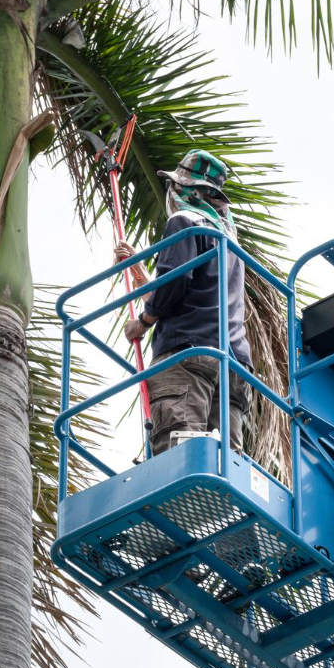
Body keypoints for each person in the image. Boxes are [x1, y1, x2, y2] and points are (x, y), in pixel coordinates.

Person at [117, 150, 252, 456]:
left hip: (187, 355)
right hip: (232, 363)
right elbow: (199, 292)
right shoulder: (229, 241)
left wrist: (144, 322)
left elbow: (176, 284)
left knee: (182, 457)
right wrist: (142, 280)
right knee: (225, 462)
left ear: (186, 190)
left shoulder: (184, 221)